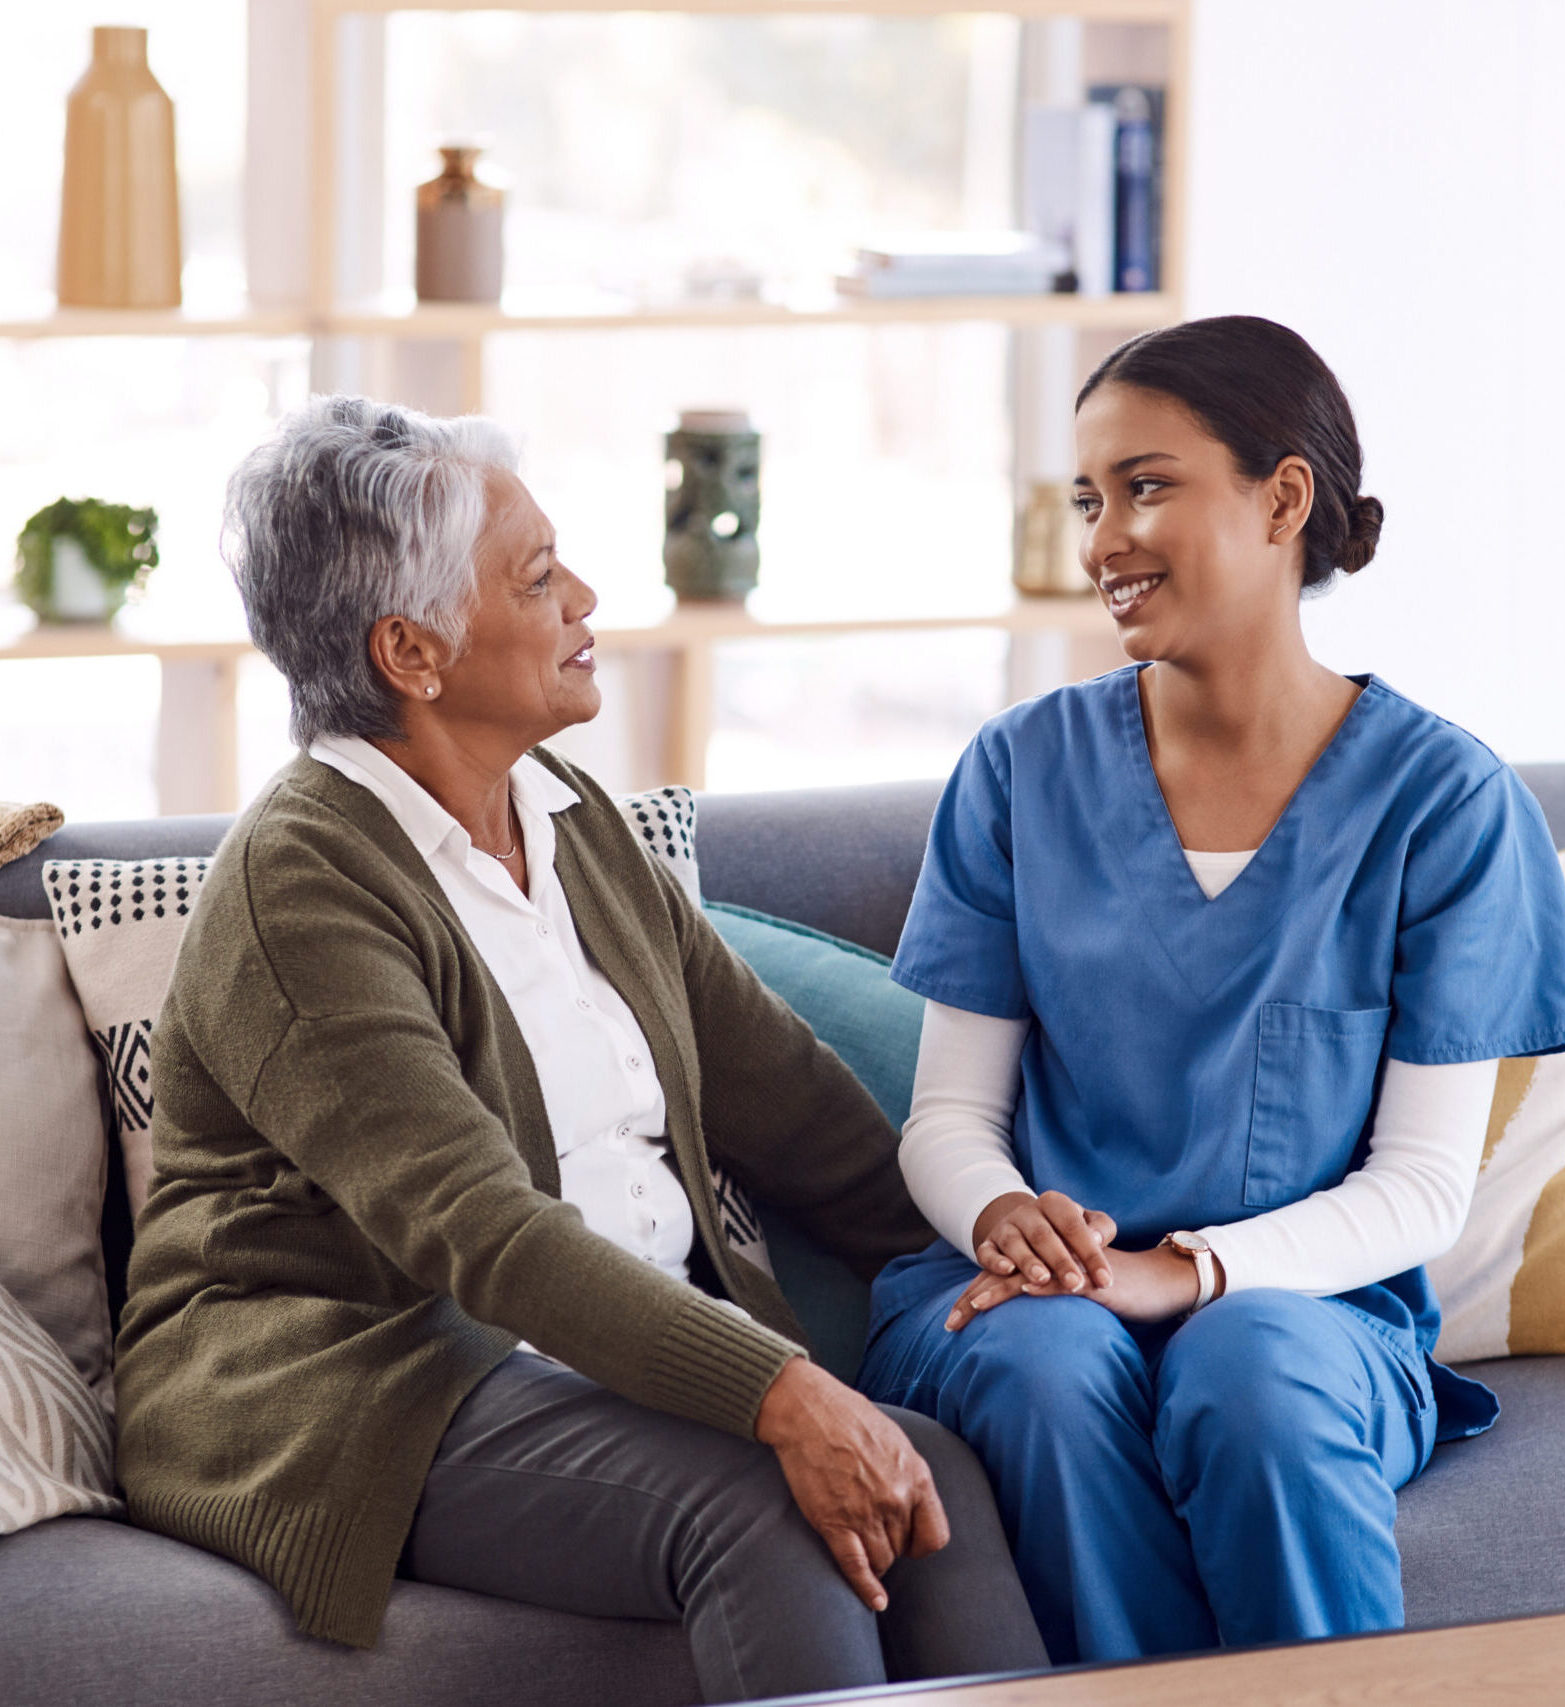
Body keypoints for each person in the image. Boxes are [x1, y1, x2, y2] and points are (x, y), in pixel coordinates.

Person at [112, 395, 1045, 1702]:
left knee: (933, 1469)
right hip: (361, 1377)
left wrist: (1005, 1241)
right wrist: (781, 1392)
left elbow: (791, 1106)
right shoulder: (301, 885)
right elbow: (480, 1231)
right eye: (539, 577)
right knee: (766, 1501)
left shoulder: (575, 823)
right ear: (412, 650)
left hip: (566, 1362)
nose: (587, 597)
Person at [855, 315, 1565, 1666]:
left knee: (1251, 1371)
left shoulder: (1447, 804)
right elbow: (948, 1117)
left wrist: (1186, 1272)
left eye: (1147, 487)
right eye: (1089, 500)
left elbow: (1425, 1186)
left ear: (1283, 497)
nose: (1103, 541)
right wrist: (1008, 1215)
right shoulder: (1019, 771)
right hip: (1044, 1301)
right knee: (1045, 1364)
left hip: (1308, 1313)